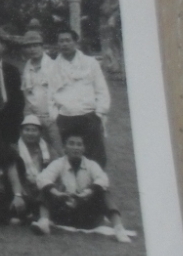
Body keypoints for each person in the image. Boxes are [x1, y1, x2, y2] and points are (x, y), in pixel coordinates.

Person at [32, 133, 130, 242]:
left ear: (83, 149)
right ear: (64, 148)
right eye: (71, 144)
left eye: (79, 145)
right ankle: (44, 222)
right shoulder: (58, 163)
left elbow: (103, 179)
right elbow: (42, 178)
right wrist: (57, 193)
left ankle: (119, 228)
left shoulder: (91, 164)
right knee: (45, 189)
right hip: (65, 213)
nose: (76, 148)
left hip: (86, 215)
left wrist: (87, 193)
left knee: (104, 192)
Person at [49, 28, 111, 167]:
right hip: (65, 118)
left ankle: (96, 180)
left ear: (75, 42)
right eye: (61, 41)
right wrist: (55, 116)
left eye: (68, 40)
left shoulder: (90, 63)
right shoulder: (53, 67)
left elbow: (101, 89)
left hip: (88, 116)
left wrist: (99, 113)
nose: (64, 44)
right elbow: (50, 95)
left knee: (95, 156)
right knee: (72, 157)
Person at [20, 29, 62, 155]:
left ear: (42, 46)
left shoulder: (54, 66)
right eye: (29, 46)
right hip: (33, 117)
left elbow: (60, 94)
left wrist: (53, 116)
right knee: (37, 151)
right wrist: (29, 116)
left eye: (35, 45)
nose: (32, 49)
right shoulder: (27, 67)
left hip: (52, 117)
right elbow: (26, 95)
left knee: (57, 150)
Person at [14, 114, 54, 214]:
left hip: (42, 187)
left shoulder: (47, 149)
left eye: (34, 130)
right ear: (21, 132)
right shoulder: (14, 150)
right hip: (23, 187)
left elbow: (56, 166)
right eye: (27, 130)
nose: (30, 133)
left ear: (40, 133)